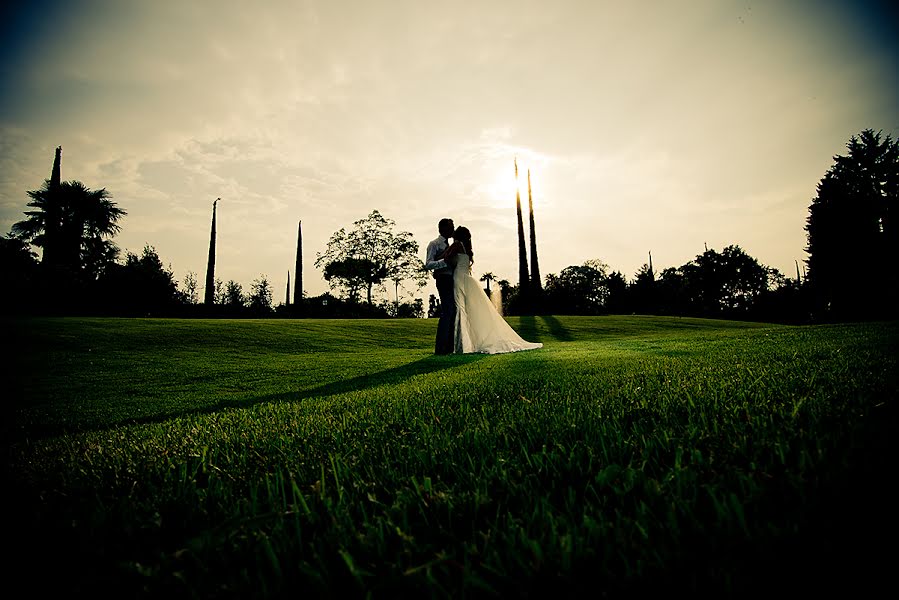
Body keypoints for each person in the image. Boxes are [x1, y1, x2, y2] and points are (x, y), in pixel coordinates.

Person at [441, 226, 542, 354]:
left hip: (459, 278)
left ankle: (459, 345)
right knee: (465, 309)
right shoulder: (467, 248)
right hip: (467, 278)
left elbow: (446, 258)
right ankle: (463, 344)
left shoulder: (456, 245)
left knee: (460, 308)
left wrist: (445, 254)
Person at [424, 218, 456, 354]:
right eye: (450, 227)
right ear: (442, 229)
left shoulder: (454, 244)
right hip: (443, 279)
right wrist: (444, 262)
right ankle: (440, 348)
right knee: (447, 311)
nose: (452, 230)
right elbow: (428, 264)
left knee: (453, 312)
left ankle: (450, 347)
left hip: (454, 279)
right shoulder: (434, 244)